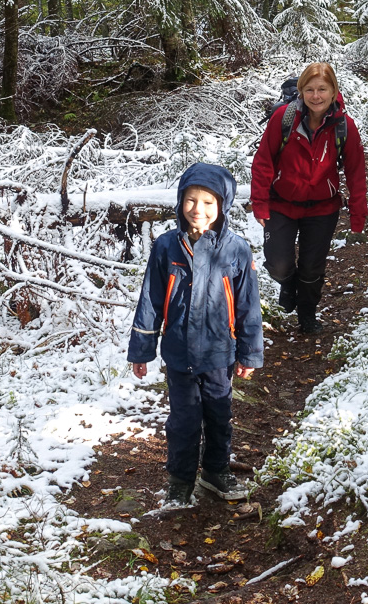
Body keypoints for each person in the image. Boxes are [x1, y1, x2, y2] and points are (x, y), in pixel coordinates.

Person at [128, 162, 263, 508]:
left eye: (207, 203)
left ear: (222, 206)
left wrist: (249, 353)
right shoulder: (166, 247)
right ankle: (180, 480)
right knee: (184, 419)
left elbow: (247, 305)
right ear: (179, 202)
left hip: (220, 353)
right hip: (179, 354)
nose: (197, 210)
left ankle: (216, 471)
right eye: (190, 200)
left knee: (219, 413)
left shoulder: (236, 249)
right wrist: (142, 349)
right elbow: (151, 300)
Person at [250, 62, 368, 335]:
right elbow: (263, 162)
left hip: (322, 208)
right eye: (310, 89)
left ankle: (307, 315)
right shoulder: (283, 118)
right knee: (278, 263)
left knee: (312, 265)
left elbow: (356, 173)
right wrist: (260, 203)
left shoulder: (344, 127)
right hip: (282, 203)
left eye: (322, 89)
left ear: (333, 90)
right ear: (301, 91)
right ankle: (288, 284)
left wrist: (358, 215)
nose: (316, 96)